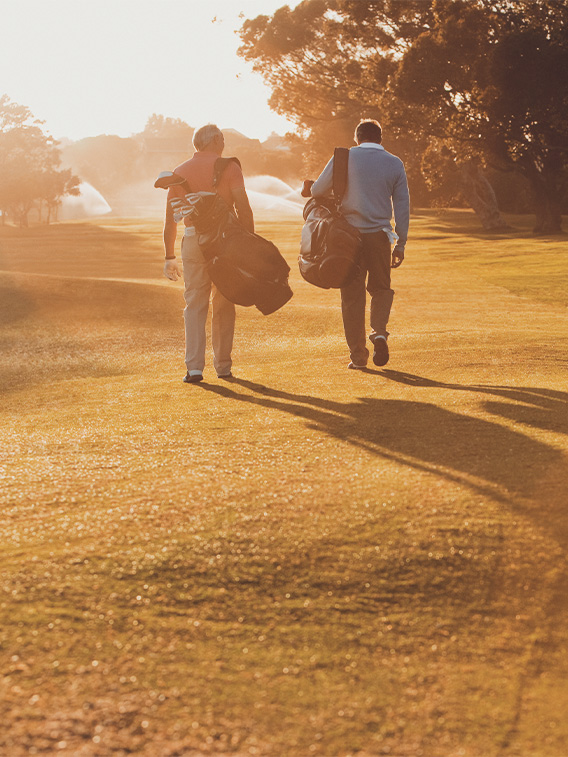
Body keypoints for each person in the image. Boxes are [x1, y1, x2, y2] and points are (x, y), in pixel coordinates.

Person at [308, 118, 409, 369]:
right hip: (380, 237)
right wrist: (401, 243)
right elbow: (403, 207)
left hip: (347, 238)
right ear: (380, 139)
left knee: (352, 296)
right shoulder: (395, 163)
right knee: (381, 288)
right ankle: (380, 332)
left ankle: (358, 356)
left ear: (357, 138)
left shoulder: (344, 157)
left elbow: (318, 190)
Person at [162, 124, 254, 383]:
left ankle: (194, 368)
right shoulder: (230, 167)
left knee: (195, 303)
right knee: (224, 302)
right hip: (225, 241)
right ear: (214, 140)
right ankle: (223, 366)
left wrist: (169, 256)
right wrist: (248, 243)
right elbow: (243, 209)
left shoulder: (179, 171)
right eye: (222, 137)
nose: (224, 141)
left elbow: (171, 220)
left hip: (193, 241)